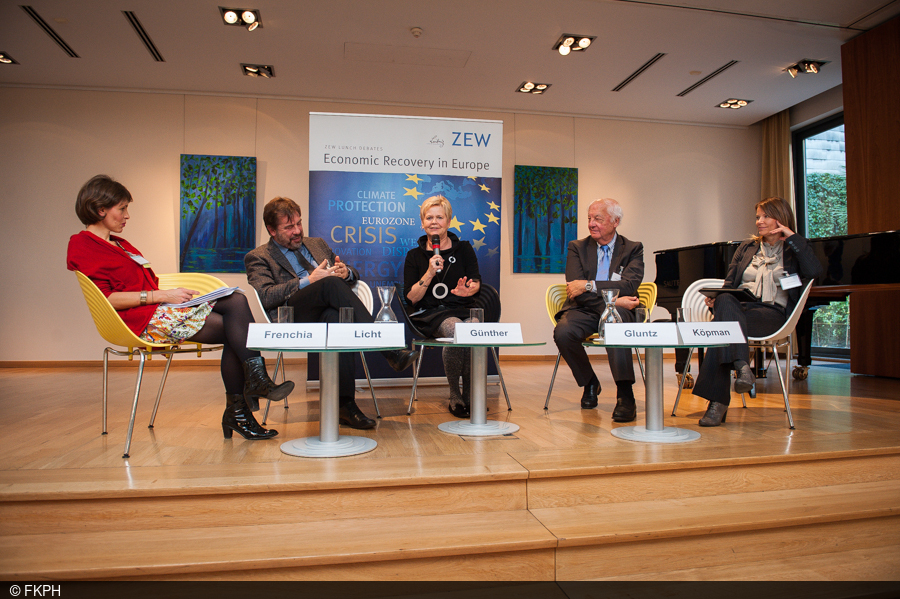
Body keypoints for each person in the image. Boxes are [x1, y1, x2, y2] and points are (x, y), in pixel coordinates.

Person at [67, 175, 292, 441]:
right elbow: (107, 299)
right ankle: (247, 398)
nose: (127, 215)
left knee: (236, 301)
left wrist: (172, 296)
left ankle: (247, 397)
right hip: (143, 320)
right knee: (237, 330)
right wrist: (159, 295)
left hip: (160, 309)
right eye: (122, 208)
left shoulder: (121, 244)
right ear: (100, 209)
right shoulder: (82, 244)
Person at [245, 197, 419, 430]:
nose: (297, 231)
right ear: (272, 230)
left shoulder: (316, 244)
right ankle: (389, 349)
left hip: (326, 311)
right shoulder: (258, 256)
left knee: (340, 321)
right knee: (328, 285)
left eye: (299, 223)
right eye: (289, 227)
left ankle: (345, 405)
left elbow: (352, 274)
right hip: (292, 315)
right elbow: (267, 296)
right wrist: (309, 281)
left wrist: (345, 272)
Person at [693, 196, 823, 426]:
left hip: (772, 315)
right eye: (757, 217)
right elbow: (730, 283)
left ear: (780, 219)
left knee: (721, 331)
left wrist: (792, 237)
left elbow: (814, 272)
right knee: (724, 301)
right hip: (741, 309)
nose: (759, 222)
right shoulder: (747, 247)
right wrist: (716, 300)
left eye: (765, 216)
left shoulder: (794, 248)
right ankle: (743, 368)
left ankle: (718, 404)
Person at [404, 195, 497, 418]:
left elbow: (475, 282)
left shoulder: (464, 249)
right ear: (422, 222)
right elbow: (412, 298)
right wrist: (428, 272)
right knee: (456, 329)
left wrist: (469, 290)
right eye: (429, 217)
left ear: (449, 221)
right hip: (430, 314)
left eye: (439, 217)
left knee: (473, 327)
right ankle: (456, 395)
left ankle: (472, 394)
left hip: (463, 308)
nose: (434, 222)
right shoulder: (414, 256)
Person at [553, 198, 644, 422]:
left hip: (620, 312)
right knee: (563, 332)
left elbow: (629, 285)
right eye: (589, 219)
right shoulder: (577, 247)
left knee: (615, 323)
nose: (591, 224)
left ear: (616, 222)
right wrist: (613, 301)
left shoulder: (633, 248)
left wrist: (590, 285)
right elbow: (576, 290)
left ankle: (625, 394)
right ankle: (589, 382)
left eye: (598, 219)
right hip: (584, 309)